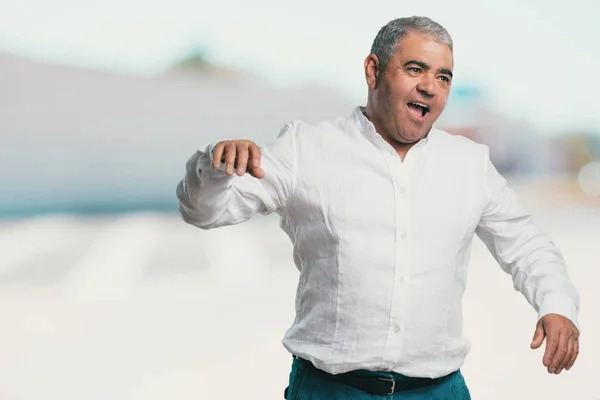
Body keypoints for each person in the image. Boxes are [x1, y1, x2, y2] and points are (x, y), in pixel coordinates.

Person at [176, 16, 580, 399]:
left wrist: (558, 306)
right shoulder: (307, 150)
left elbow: (528, 245)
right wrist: (215, 165)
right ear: (373, 71)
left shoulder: (469, 164)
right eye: (415, 69)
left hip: (439, 392)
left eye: (443, 77)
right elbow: (204, 212)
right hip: (329, 391)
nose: (430, 87)